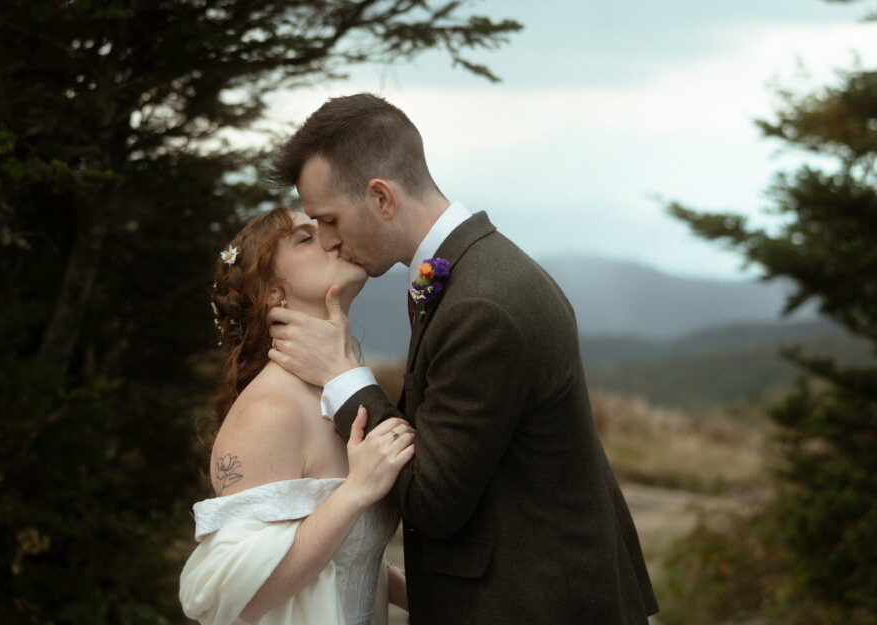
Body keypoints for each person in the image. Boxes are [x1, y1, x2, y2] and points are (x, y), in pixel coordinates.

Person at [265, 93, 659, 624]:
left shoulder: (481, 305)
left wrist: (343, 376)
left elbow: (433, 502)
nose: (330, 242)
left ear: (381, 197)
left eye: (330, 220)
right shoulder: (479, 268)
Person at [178, 207, 415, 625]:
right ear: (272, 292)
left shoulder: (337, 392)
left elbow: (342, 556)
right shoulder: (270, 410)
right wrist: (356, 491)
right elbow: (234, 597)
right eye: (306, 237)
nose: (331, 239)